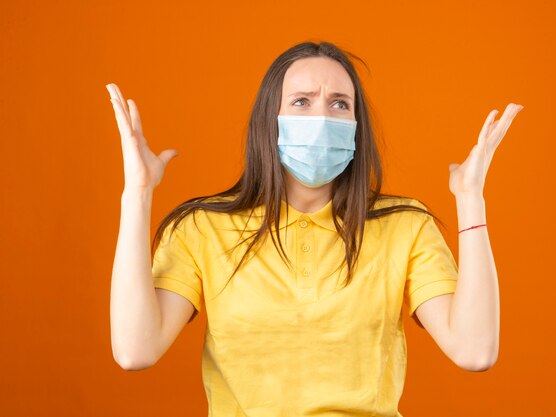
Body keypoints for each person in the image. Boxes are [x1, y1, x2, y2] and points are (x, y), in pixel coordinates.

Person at [108, 41, 522, 416]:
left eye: (340, 104)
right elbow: (135, 349)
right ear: (270, 119)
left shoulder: (406, 225)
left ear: (357, 124)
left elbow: (474, 349)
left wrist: (470, 199)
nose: (322, 116)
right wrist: (137, 193)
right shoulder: (202, 228)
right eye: (302, 101)